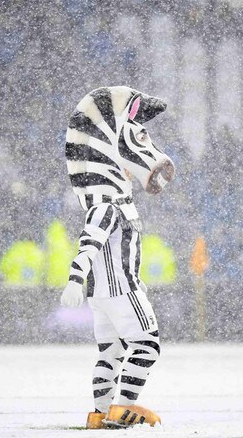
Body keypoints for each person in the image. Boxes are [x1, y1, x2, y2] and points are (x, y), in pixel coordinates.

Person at [59, 86, 175, 429]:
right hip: (123, 288)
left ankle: (99, 412)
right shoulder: (111, 205)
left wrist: (81, 283)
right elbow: (89, 242)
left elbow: (89, 242)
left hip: (100, 298)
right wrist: (74, 279)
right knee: (147, 345)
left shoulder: (100, 200)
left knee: (109, 353)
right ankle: (123, 407)